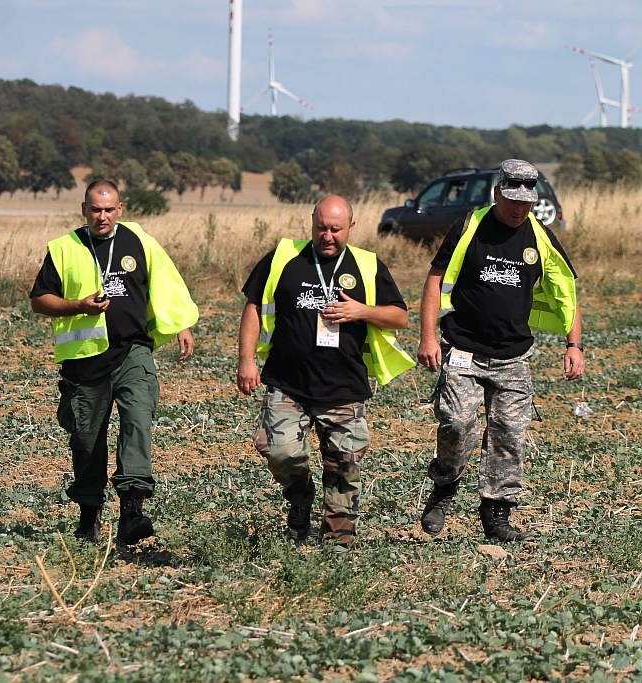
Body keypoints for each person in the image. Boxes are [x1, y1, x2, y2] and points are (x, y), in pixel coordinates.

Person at [417, 159, 584, 542]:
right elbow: (435, 278)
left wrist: (573, 344)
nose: (518, 210)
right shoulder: (469, 226)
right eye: (511, 201)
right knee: (457, 425)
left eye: (526, 203)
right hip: (463, 349)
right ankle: (445, 485)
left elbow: (566, 291)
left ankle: (496, 515)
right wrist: (428, 337)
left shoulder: (539, 236)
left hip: (513, 356)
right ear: (497, 193)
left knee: (509, 434)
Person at [237, 195, 414, 546]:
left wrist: (362, 312)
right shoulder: (284, 257)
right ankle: (300, 496)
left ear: (351, 227)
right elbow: (253, 306)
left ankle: (338, 542)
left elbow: (400, 316)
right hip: (288, 381)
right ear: (311, 223)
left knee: (344, 468)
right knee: (278, 450)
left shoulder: (367, 265)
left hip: (343, 387)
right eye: (321, 227)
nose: (327, 236)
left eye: (335, 229)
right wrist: (245, 360)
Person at [30, 179, 198, 545]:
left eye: (109, 209)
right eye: (95, 209)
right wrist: (78, 305)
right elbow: (39, 300)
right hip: (85, 361)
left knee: (138, 419)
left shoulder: (139, 241)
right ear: (84, 210)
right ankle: (89, 515)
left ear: (120, 209)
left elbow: (165, 283)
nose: (102, 216)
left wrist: (180, 323)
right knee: (87, 441)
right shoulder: (64, 248)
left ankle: (132, 510)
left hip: (133, 350)